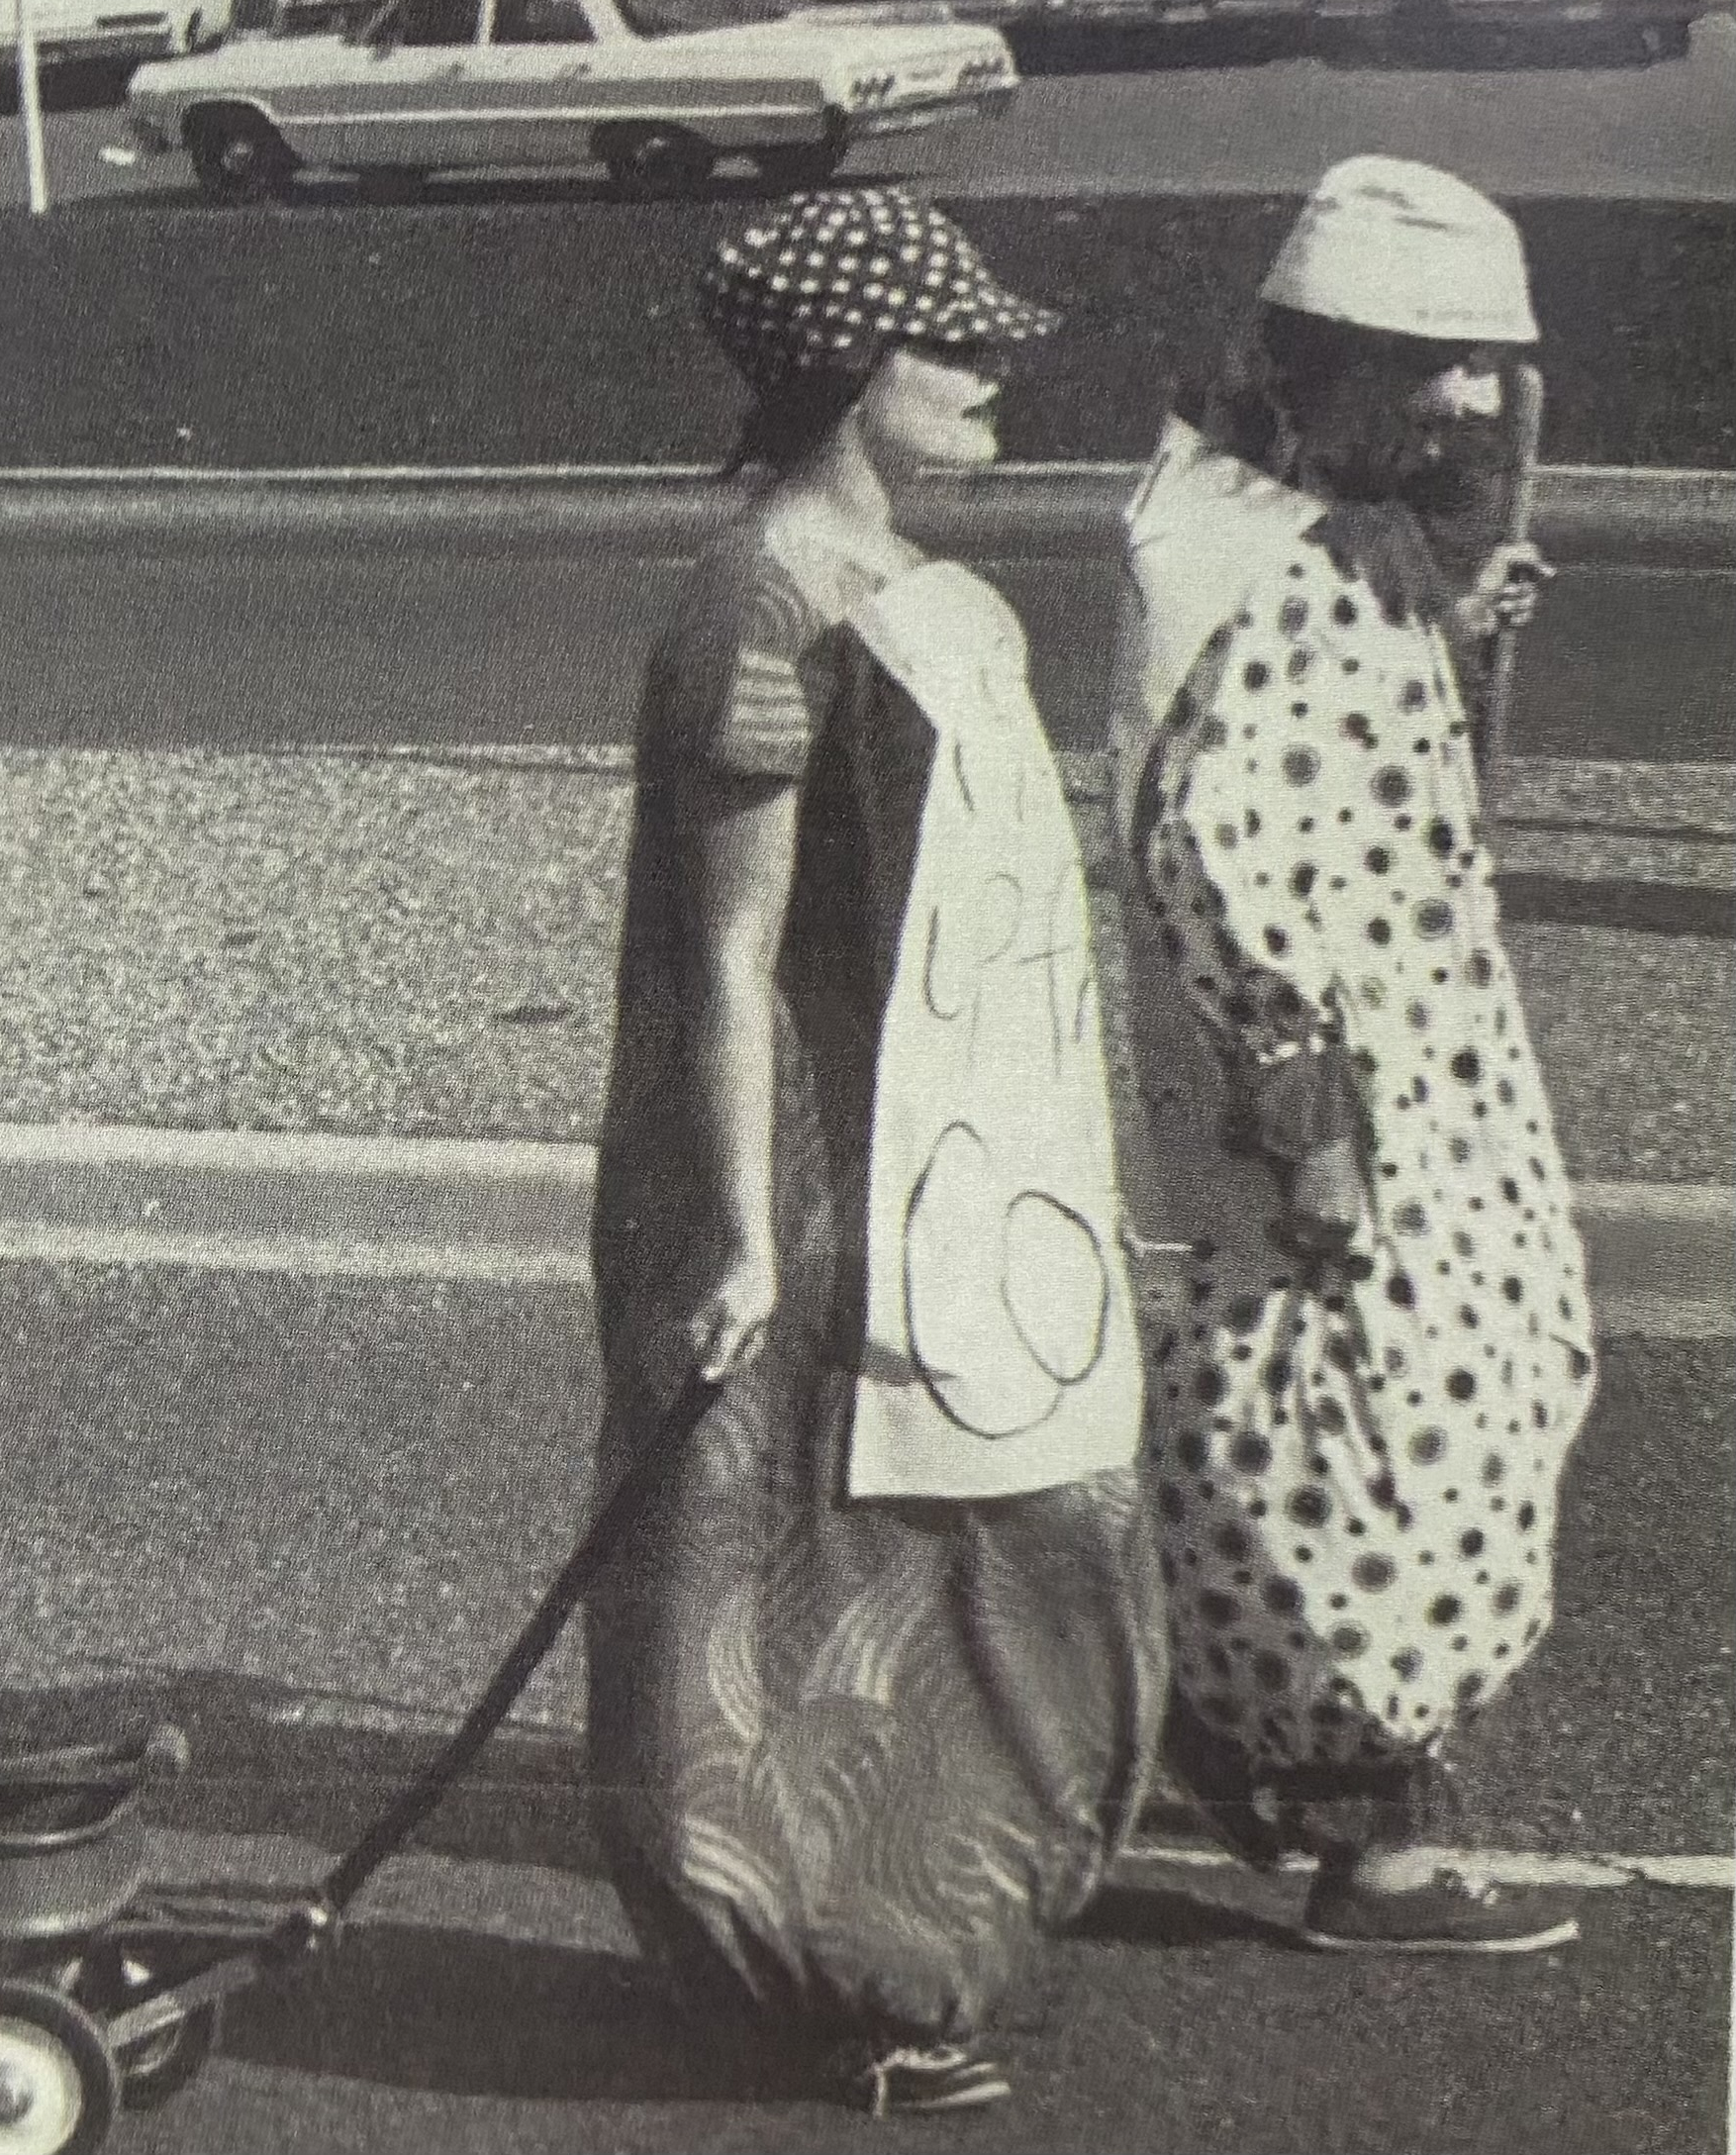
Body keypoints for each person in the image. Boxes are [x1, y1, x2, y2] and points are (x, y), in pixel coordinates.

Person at [584, 189, 1168, 2117]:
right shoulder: (762, 591)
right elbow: (727, 956)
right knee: (803, 1590)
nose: (994, 369)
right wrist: (743, 1237)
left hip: (934, 1162)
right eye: (953, 341)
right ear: (850, 370)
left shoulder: (915, 587)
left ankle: (923, 1936)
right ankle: (838, 1972)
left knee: (984, 1546)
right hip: (805, 1179)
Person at [1105, 156, 1595, 1952]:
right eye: (1427, 360)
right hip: (1342, 1094)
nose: (1466, 400)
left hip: (1433, 1070)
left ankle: (1234, 1739)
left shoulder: (1330, 527)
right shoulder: (1239, 558)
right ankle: (1359, 1841)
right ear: (1319, 357)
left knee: (1476, 1389)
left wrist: (1457, 612)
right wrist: (1301, 1114)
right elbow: (1212, 849)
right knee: (1369, 1431)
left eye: (1487, 364)